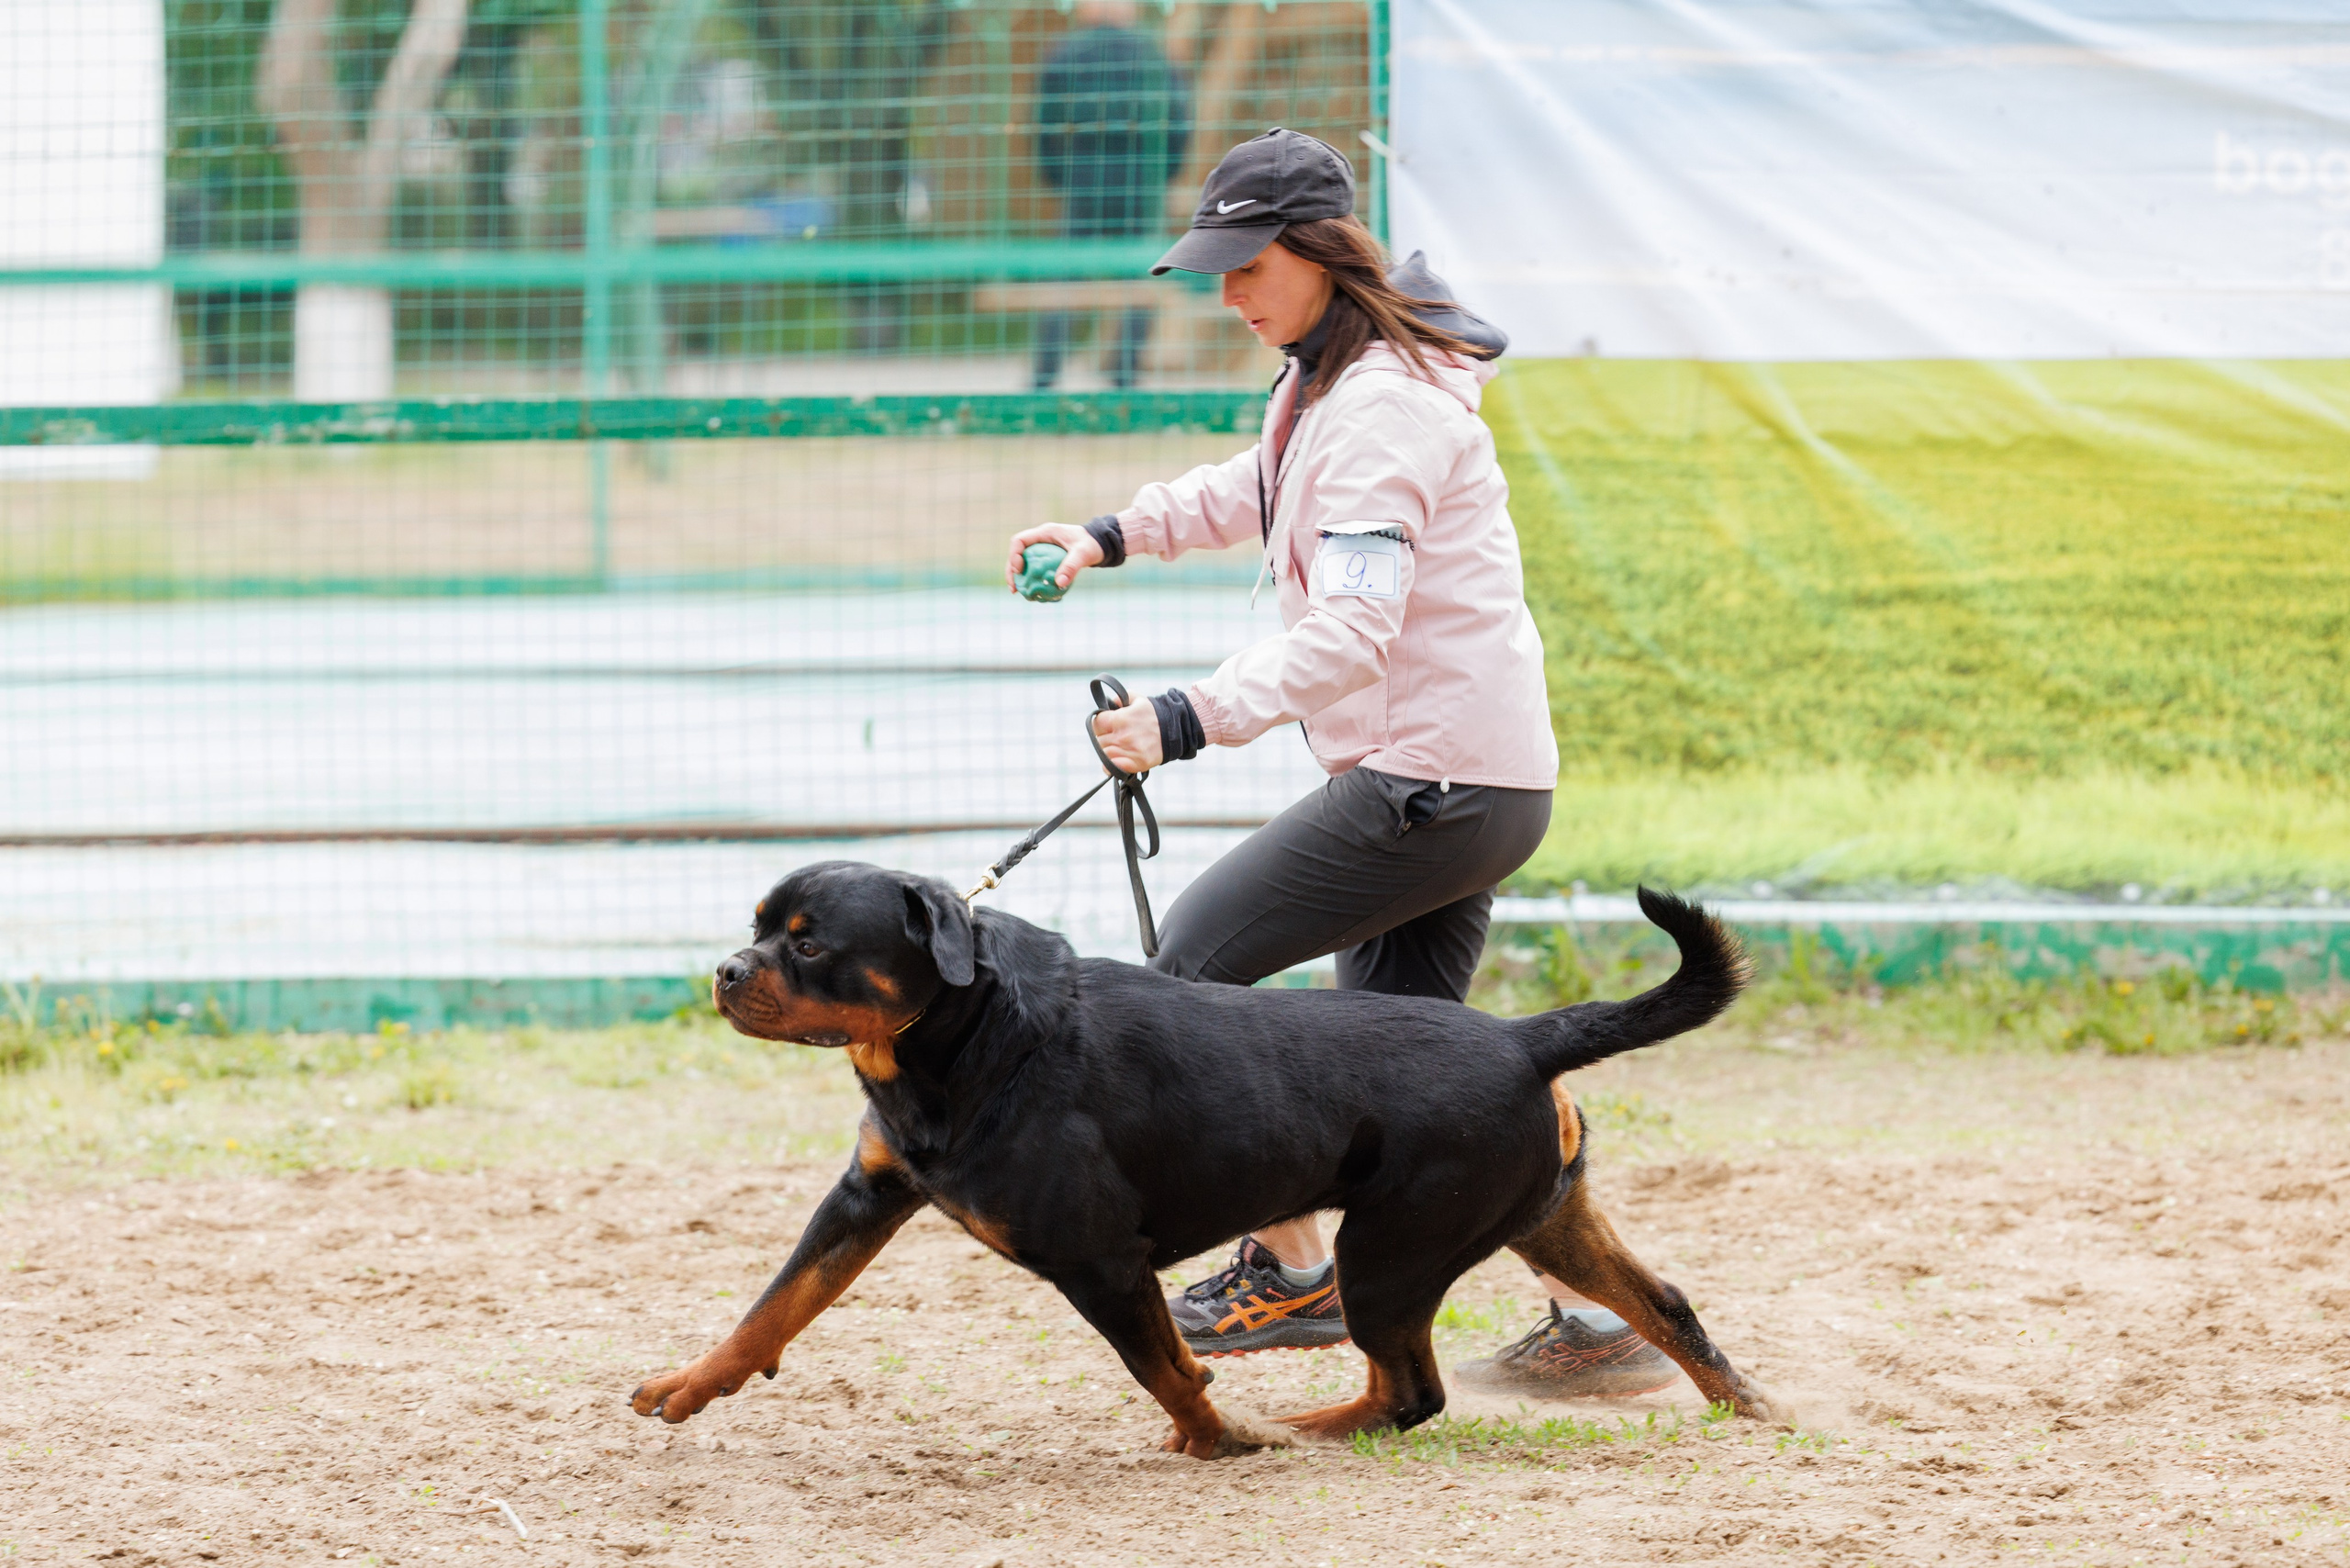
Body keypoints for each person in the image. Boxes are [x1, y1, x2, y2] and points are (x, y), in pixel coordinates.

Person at [1003, 128, 1673, 1398]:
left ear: (1316, 251)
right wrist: (1108, 535)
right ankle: (1598, 1319)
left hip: (1433, 782)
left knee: (1187, 972)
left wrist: (1189, 717)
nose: (1228, 292)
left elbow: (1353, 632)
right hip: (1473, 777)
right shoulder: (1328, 384)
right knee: (1438, 1079)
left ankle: (1295, 1274)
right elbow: (1257, 491)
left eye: (1246, 265)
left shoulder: (1380, 411)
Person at [1031, 1, 1189, 391]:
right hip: (1140, 182)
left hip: (1083, 181)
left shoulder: (1065, 54)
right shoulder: (1152, 54)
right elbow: (1180, 120)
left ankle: (1043, 377)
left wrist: (1059, 178)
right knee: (1141, 278)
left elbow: (1045, 126)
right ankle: (1124, 373)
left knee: (1066, 279)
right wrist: (1162, 175)